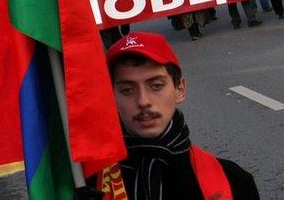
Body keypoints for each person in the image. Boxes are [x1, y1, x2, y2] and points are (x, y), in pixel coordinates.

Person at [93, 33, 259, 200]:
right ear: (111, 96)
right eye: (127, 90)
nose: (143, 101)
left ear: (180, 89)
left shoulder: (233, 184)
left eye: (156, 86)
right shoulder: (87, 182)